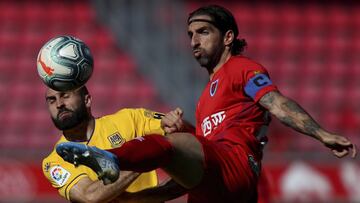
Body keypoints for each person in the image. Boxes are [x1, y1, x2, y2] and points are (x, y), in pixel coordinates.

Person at [56, 5, 357, 203]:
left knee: (169, 142)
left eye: (203, 32)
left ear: (228, 37)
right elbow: (190, 175)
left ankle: (106, 157)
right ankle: (109, 160)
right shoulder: (204, 100)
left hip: (236, 166)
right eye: (189, 35)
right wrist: (138, 198)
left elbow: (276, 103)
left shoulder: (242, 69)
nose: (193, 41)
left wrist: (322, 135)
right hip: (212, 187)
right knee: (174, 145)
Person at [42, 86, 184, 203]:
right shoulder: (54, 161)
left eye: (65, 95)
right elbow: (89, 196)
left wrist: (175, 123)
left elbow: (184, 136)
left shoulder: (130, 119)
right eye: (51, 100)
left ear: (87, 100)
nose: (59, 104)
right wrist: (144, 156)